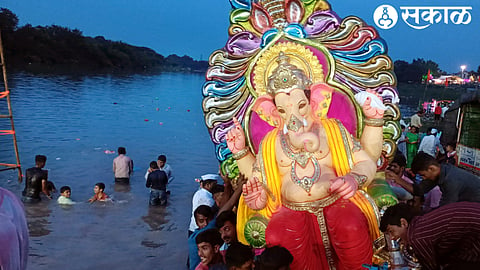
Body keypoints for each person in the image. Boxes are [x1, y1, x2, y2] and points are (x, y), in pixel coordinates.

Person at [226, 53, 385, 269]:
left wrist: (354, 179)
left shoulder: (332, 129)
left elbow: (365, 161)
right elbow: (259, 182)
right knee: (277, 234)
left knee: (351, 225)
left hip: (336, 200)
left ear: (314, 100)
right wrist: (258, 199)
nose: (292, 116)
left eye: (300, 106)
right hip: (291, 209)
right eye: (283, 110)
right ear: (272, 111)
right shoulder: (270, 142)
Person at [380, 202, 480, 270]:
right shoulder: (420, 222)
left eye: (391, 231)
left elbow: (431, 267)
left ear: (403, 223)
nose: (392, 237)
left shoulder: (417, 237)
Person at [393, 152, 480, 210]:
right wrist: (397, 179)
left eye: (423, 175)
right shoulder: (438, 172)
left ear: (431, 168)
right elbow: (418, 190)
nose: (423, 178)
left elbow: (445, 210)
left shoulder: (451, 180)